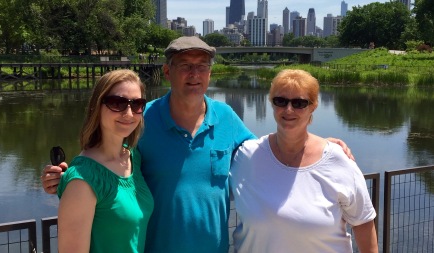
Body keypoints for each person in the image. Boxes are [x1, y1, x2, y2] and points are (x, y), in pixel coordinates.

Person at [42, 36, 354, 253]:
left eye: (202, 66)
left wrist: (315, 142)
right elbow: (104, 157)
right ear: (167, 72)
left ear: (210, 73)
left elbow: (266, 152)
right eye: (184, 66)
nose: (194, 74)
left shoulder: (226, 117)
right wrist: (68, 175)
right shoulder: (141, 118)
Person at [229, 69, 378, 253]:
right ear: (272, 103)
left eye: (299, 103)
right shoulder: (247, 156)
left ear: (313, 106)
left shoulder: (338, 160)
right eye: (280, 101)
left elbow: (363, 222)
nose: (288, 109)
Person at [56, 69, 154, 253]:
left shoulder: (133, 158)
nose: (129, 113)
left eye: (137, 104)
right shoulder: (82, 180)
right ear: (96, 106)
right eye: (117, 103)